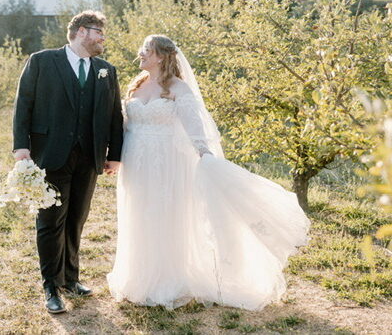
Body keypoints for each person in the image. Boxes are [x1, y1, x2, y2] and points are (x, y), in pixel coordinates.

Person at [107, 34, 310, 311]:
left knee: (165, 216)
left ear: (161, 56)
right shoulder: (137, 84)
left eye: (146, 50)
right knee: (138, 214)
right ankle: (137, 277)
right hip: (136, 162)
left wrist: (205, 156)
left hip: (167, 164)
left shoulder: (178, 88)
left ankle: (168, 280)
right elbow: (124, 126)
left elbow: (195, 128)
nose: (140, 54)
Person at [13, 11, 123, 314]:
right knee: (50, 222)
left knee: (76, 219)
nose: (103, 38)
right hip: (50, 154)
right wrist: (21, 147)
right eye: (98, 31)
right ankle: (51, 285)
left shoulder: (106, 70)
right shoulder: (42, 61)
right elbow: (24, 104)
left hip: (90, 157)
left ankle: (71, 279)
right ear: (81, 32)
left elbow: (115, 115)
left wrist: (115, 154)